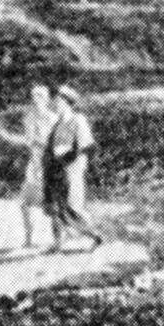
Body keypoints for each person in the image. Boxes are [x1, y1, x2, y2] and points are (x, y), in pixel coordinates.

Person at [0, 83, 55, 250]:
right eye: (34, 97)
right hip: (35, 165)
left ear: (47, 99)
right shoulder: (29, 118)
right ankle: (29, 239)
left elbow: (54, 143)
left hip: (49, 164)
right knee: (25, 204)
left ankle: (59, 240)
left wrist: (39, 144)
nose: (36, 100)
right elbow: (26, 141)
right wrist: (3, 136)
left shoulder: (53, 119)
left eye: (40, 97)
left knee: (52, 204)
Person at [42, 84, 102, 253]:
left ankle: (95, 236)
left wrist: (70, 161)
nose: (55, 104)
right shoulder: (57, 124)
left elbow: (86, 146)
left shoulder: (78, 120)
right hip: (56, 168)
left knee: (73, 206)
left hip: (71, 168)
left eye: (59, 101)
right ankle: (58, 243)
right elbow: (50, 147)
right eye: (55, 101)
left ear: (67, 103)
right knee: (55, 207)